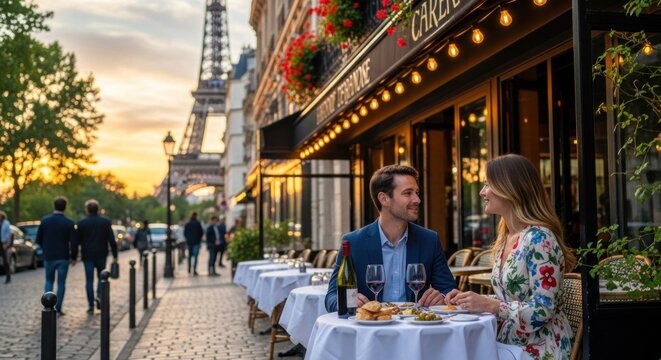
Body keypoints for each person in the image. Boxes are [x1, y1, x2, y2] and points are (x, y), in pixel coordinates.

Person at [444, 154, 577, 359]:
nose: (482, 192)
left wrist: (491, 305)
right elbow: (509, 300)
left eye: (488, 185)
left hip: (541, 348)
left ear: (510, 189)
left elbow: (543, 310)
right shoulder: (507, 236)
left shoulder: (540, 239)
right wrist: (471, 300)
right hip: (509, 344)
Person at [325, 165, 456, 313]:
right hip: (371, 330)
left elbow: (449, 290)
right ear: (384, 199)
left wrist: (441, 297)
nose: (417, 199)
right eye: (408, 193)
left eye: (417, 193)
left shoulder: (429, 240)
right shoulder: (354, 243)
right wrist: (347, 301)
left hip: (415, 328)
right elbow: (331, 297)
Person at [74, 199, 118, 314]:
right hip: (101, 254)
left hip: (87, 255)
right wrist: (115, 255)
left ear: (87, 210)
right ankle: (99, 295)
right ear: (97, 209)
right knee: (101, 277)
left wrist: (73, 256)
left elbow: (76, 241)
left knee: (89, 280)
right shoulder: (105, 221)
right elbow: (111, 240)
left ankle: (90, 305)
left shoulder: (82, 223)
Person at [36, 197, 76, 315]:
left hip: (49, 256)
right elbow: (73, 242)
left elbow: (38, 239)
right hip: (63, 256)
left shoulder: (45, 221)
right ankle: (58, 307)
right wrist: (74, 257)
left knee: (49, 280)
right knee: (61, 283)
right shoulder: (69, 222)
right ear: (65, 207)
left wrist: (45, 249)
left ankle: (48, 304)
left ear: (54, 206)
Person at [0, 211, 12, 284]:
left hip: (4, 243)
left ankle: (8, 276)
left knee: (6, 261)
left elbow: (9, 233)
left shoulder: (6, 223)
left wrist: (7, 243)